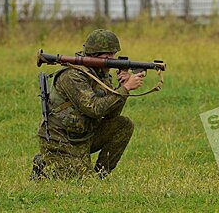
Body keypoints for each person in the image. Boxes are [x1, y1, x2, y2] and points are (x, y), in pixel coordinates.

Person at [31, 29, 145, 179]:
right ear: (94, 55)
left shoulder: (101, 74)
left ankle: (100, 176)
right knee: (81, 184)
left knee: (123, 124)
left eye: (113, 54)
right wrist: (126, 88)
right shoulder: (72, 75)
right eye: (107, 56)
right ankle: (44, 165)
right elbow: (94, 109)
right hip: (61, 140)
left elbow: (111, 114)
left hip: (83, 136)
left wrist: (121, 88)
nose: (112, 59)